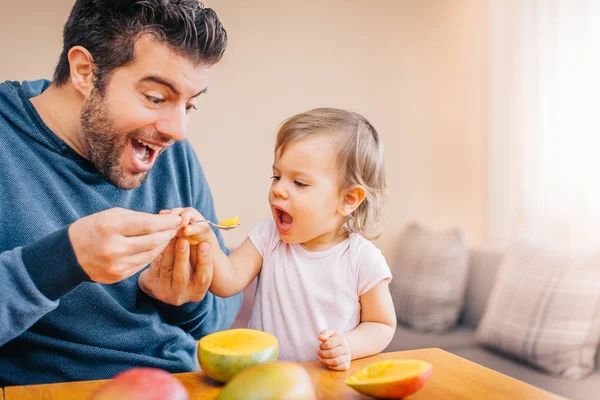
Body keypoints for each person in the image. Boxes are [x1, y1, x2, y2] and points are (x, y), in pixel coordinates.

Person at [0, 0, 241, 386]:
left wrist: (186, 298)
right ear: (85, 72)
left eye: (189, 105)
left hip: (181, 384)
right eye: (157, 98)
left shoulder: (171, 153)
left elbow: (223, 314)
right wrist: (64, 259)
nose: (178, 130)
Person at [172, 108, 397, 370]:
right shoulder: (267, 237)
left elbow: (382, 324)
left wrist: (349, 345)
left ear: (348, 199)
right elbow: (228, 281)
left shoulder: (362, 258)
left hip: (328, 383)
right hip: (265, 379)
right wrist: (206, 238)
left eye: (299, 183)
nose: (278, 189)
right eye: (276, 176)